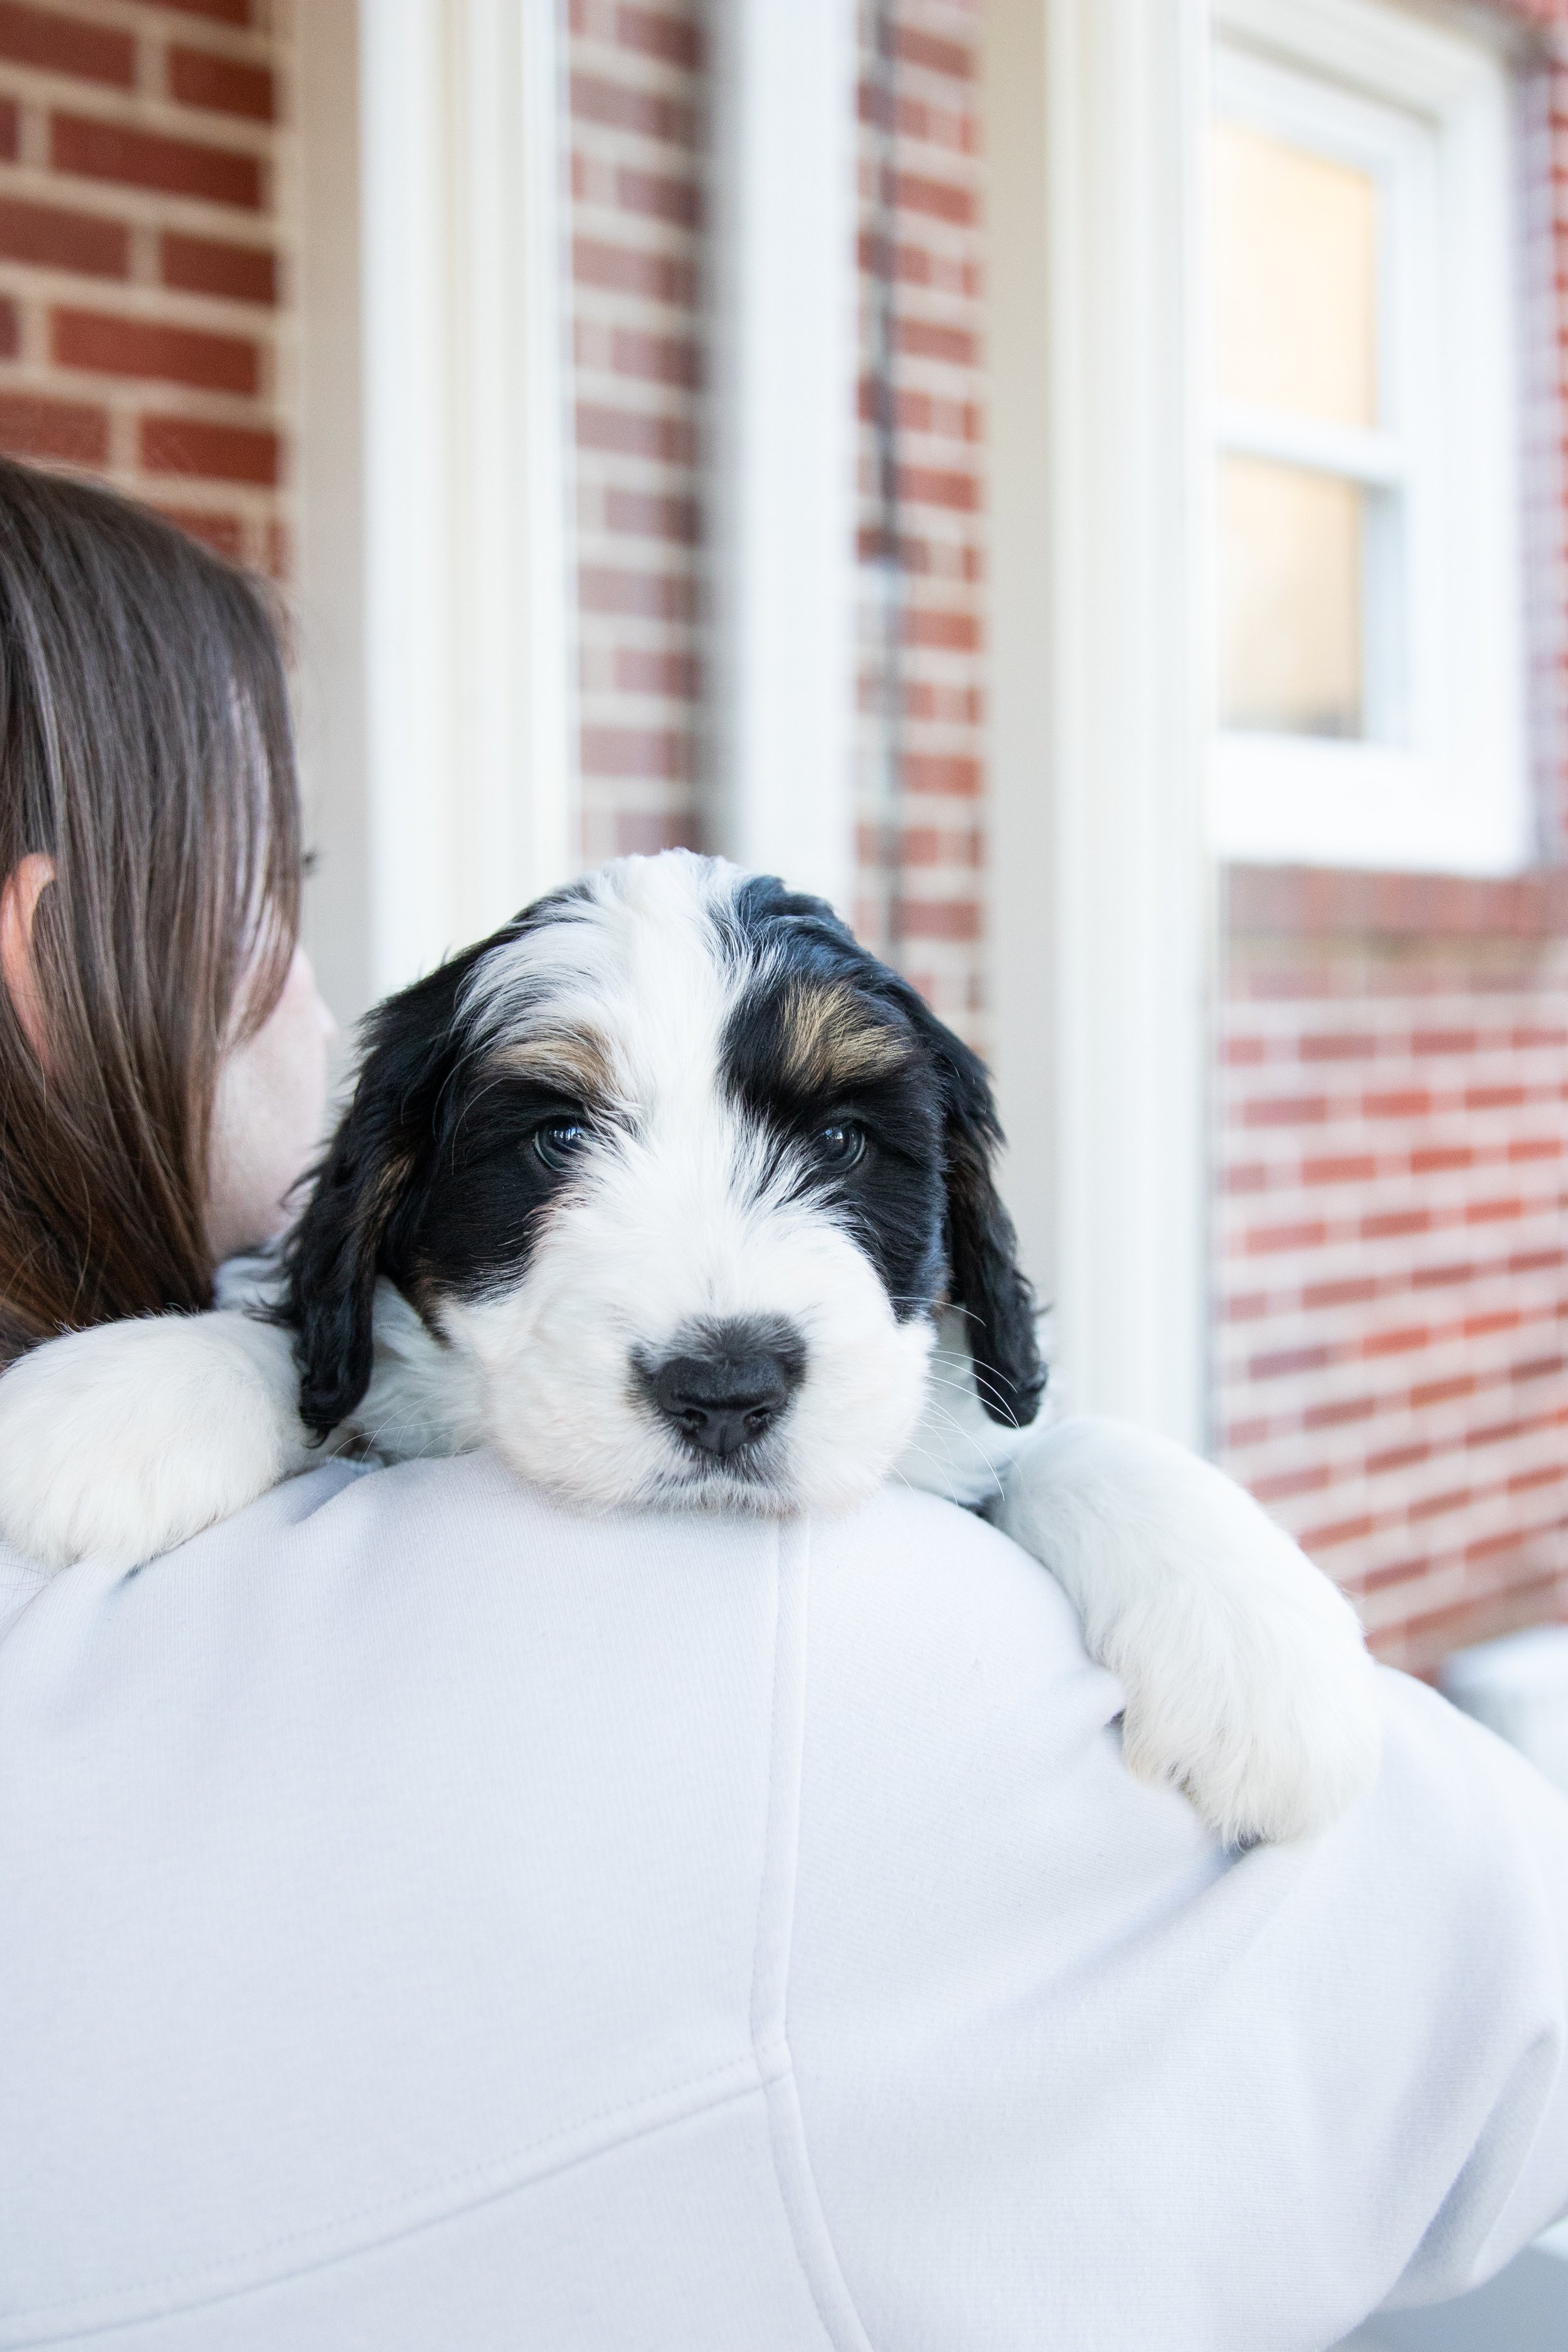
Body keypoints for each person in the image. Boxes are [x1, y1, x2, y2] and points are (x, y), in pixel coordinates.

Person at [0, 454, 1565, 2351]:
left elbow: (996, 1444)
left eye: (839, 1136)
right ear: (46, 954)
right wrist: (262, 1362)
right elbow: (1496, 2036)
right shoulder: (785, 1673)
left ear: (949, 1233)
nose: (317, 1008)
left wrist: (1109, 1491)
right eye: (276, 904)